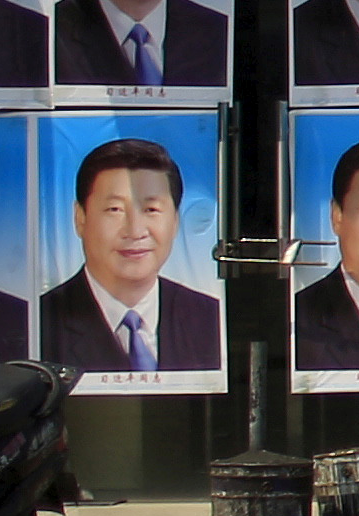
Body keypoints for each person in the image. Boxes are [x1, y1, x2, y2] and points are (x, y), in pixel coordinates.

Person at [40, 135, 223, 381]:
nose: (135, 231)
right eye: (115, 209)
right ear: (80, 218)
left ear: (175, 220)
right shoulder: (40, 322)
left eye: (151, 210)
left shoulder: (210, 318)